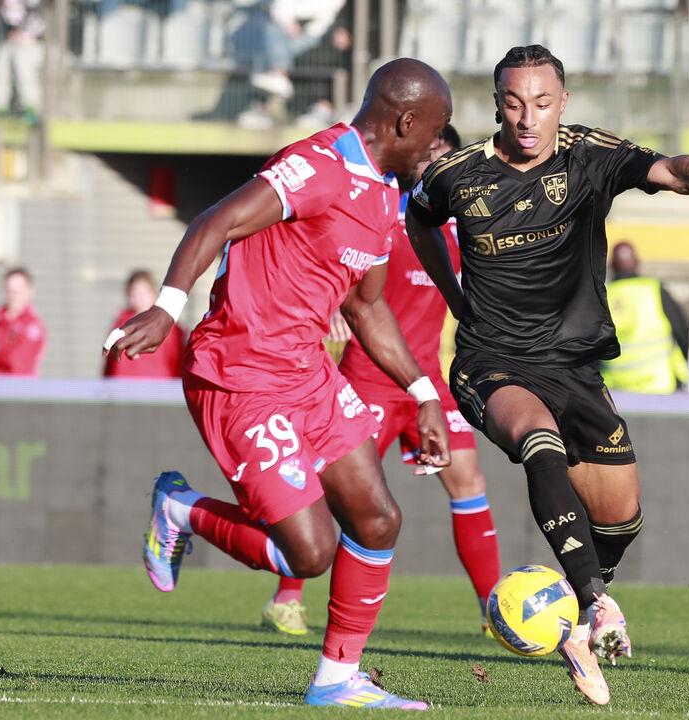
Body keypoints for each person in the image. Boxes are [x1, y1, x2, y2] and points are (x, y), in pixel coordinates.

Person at [405, 44, 689, 706]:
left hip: (573, 366)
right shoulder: (458, 173)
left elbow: (674, 171)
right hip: (490, 360)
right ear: (497, 105)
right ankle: (595, 601)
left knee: (621, 519)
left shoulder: (588, 154)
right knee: (538, 441)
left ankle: (568, 617)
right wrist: (455, 298)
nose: (528, 118)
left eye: (542, 103)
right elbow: (418, 219)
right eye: (514, 104)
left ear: (562, 103)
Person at [103, 57, 453, 710]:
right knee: (309, 554)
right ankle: (179, 508)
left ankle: (337, 679)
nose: (438, 148)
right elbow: (216, 220)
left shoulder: (385, 195)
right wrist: (167, 306)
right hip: (239, 375)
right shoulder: (320, 164)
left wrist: (423, 392)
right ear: (406, 123)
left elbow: (367, 307)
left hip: (307, 374)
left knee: (378, 520)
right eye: (436, 133)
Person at [261, 124, 503, 638]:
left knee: (469, 481)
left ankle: (494, 610)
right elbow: (342, 269)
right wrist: (331, 307)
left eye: (443, 156)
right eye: (428, 153)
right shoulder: (385, 210)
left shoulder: (463, 227)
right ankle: (286, 598)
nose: (433, 164)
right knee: (342, 492)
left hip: (426, 379)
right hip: (369, 375)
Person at [600, 241, 689, 394]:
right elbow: (681, 331)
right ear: (637, 263)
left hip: (616, 389)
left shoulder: (603, 297)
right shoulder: (654, 290)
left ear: (611, 266)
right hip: (660, 384)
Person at [103, 270, 184, 379]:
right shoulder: (120, 328)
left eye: (144, 293)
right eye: (135, 294)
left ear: (154, 293)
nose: (140, 298)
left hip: (162, 385)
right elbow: (110, 362)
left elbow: (178, 360)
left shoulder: (169, 327)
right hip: (126, 385)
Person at [0, 0, 44, 123]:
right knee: (0, 69)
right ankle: (0, 110)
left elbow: (40, 16)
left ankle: (30, 111)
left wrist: (27, 35)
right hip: (8, 39)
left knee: (23, 70)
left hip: (31, 42)